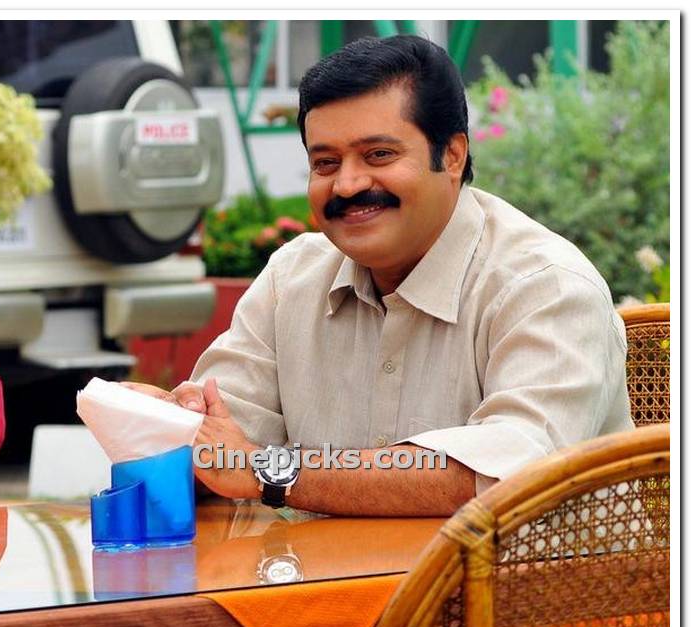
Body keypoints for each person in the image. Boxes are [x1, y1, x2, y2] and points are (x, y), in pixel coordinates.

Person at [127, 35, 633, 516]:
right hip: (317, 577)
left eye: (379, 155)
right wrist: (171, 427)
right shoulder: (291, 278)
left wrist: (272, 472)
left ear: (452, 155)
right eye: (326, 163)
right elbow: (222, 449)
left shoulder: (546, 285)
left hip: (530, 580)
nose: (347, 184)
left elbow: (512, 472)